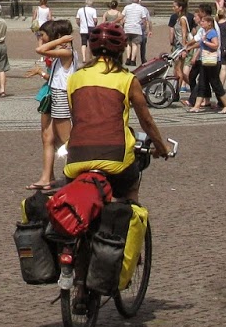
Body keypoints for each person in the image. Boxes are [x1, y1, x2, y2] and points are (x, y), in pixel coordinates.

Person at [63, 23, 172, 205]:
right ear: (121, 50)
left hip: (76, 158)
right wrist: (161, 148)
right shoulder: (127, 79)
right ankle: (131, 221)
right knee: (131, 186)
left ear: (92, 48)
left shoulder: (75, 78)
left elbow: (78, 115)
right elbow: (146, 120)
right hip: (116, 159)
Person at [31, 18, 76, 188]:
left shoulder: (67, 52)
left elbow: (40, 49)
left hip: (62, 97)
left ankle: (74, 178)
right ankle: (47, 178)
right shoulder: (63, 53)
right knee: (49, 137)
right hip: (57, 95)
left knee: (67, 141)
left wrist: (62, 40)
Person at [186, 5, 226, 113]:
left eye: (203, 22)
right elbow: (199, 42)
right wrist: (188, 47)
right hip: (205, 61)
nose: (201, 23)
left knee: (216, 84)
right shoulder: (205, 32)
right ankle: (196, 106)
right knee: (202, 83)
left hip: (213, 62)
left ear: (208, 23)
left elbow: (215, 45)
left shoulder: (212, 32)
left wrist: (204, 42)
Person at [121, 0, 150, 66]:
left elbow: (122, 16)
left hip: (127, 28)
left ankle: (128, 58)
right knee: (135, 44)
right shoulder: (141, 8)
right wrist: (142, 25)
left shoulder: (127, 7)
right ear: (138, 1)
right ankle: (132, 60)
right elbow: (144, 19)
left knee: (128, 44)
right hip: (136, 28)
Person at [74, 0, 99, 65]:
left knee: (83, 43)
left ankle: (84, 58)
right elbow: (95, 20)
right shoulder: (93, 10)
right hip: (91, 28)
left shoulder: (80, 10)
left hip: (83, 29)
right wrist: (95, 25)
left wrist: (80, 25)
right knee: (91, 43)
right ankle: (90, 57)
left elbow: (77, 20)